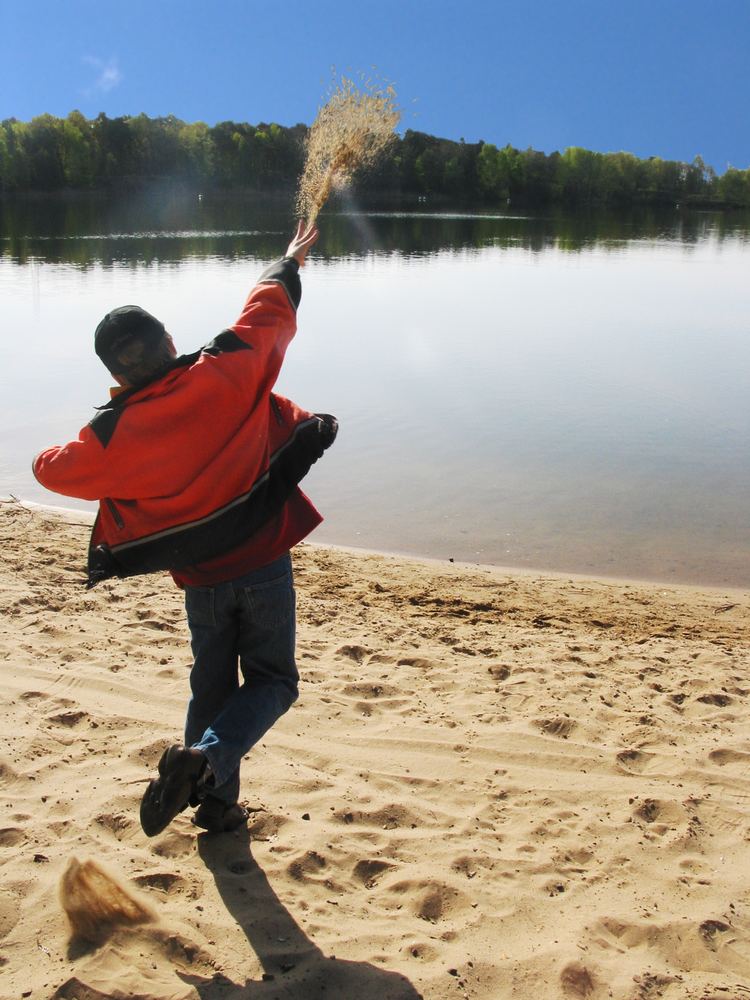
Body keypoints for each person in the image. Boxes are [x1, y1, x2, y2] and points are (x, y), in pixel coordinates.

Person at [32, 221, 337, 836]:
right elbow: (266, 317)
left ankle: (217, 807)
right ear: (169, 340)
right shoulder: (222, 372)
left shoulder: (116, 434)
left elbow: (49, 470)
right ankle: (204, 762)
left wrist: (104, 423)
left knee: (212, 687)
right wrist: (288, 261)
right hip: (261, 561)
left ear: (116, 370)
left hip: (199, 578)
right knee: (274, 682)